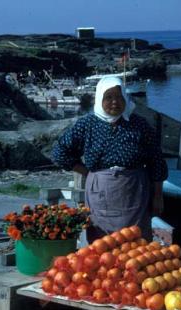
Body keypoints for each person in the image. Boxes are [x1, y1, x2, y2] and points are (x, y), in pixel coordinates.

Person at [52, 76, 168, 242]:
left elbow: (156, 161)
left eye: (119, 97)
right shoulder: (87, 124)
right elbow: (60, 153)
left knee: (136, 246)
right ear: (99, 99)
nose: (115, 102)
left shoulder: (139, 125)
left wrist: (158, 196)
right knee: (102, 246)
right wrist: (87, 172)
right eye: (109, 97)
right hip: (100, 193)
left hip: (135, 193)